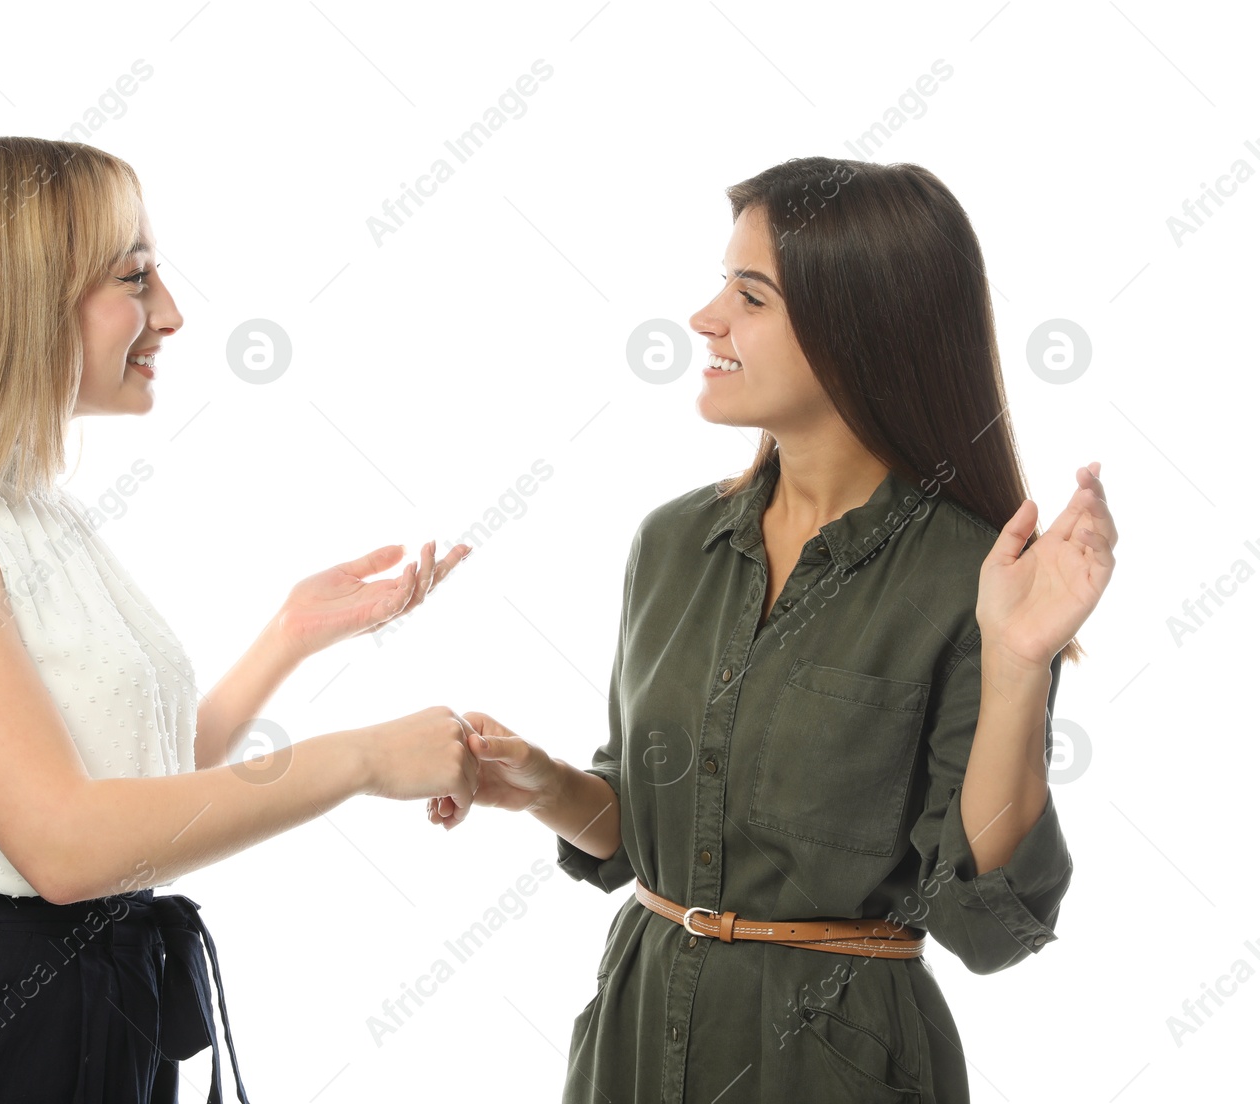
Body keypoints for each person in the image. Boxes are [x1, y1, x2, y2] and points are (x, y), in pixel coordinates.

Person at [0, 136, 486, 1103]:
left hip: (100, 1022)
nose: (172, 313)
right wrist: (359, 760)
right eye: (135, 277)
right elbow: (67, 847)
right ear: (24, 295)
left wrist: (289, 636)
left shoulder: (31, 509)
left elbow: (129, 791)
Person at [427, 156, 1118, 1103]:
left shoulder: (978, 578)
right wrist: (547, 786)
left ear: (858, 330)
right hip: (637, 1045)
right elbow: (653, 830)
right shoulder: (674, 542)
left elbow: (987, 922)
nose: (704, 318)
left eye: (749, 296)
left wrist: (1017, 662)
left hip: (832, 1065)